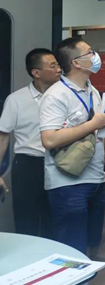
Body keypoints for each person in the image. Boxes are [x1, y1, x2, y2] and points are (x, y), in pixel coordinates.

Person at [39, 38, 105, 254]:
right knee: (72, 247)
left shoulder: (92, 91)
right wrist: (93, 124)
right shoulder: (56, 95)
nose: (96, 56)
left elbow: (102, 134)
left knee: (93, 243)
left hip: (96, 178)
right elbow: (49, 139)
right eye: (90, 52)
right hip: (67, 183)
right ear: (76, 62)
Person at [0, 48, 61, 237]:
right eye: (53, 66)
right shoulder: (16, 100)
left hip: (59, 163)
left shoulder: (64, 96)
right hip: (28, 165)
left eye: (58, 64)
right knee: (26, 221)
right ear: (36, 72)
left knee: (54, 220)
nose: (59, 69)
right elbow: (3, 136)